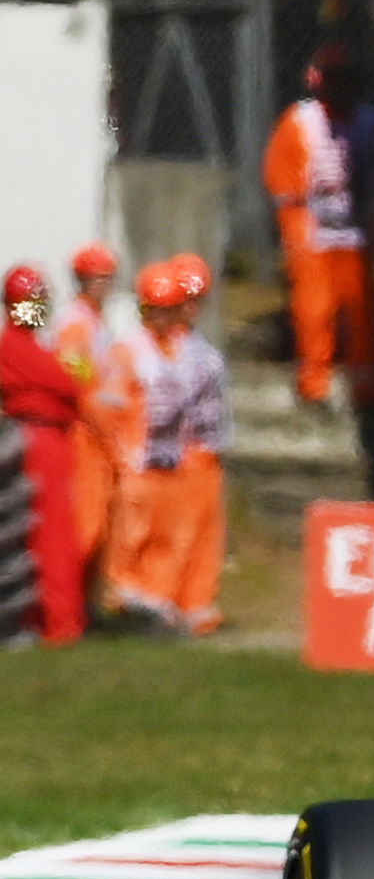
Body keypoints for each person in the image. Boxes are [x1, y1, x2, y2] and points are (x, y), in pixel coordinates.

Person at [262, 44, 374, 408]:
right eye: (332, 79)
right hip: (313, 230)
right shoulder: (300, 120)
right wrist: (296, 227)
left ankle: (367, 388)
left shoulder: (370, 122)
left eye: (345, 80)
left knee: (364, 311)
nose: (338, 88)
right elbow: (281, 180)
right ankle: (314, 385)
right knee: (315, 308)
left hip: (358, 232)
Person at [118, 255, 228, 635]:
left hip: (194, 451)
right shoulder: (141, 347)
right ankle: (145, 602)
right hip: (154, 456)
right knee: (149, 535)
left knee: (194, 536)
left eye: (196, 301)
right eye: (186, 301)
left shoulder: (195, 348)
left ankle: (191, 604)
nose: (190, 309)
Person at [0, 267, 87, 642]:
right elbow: (68, 384)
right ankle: (58, 623)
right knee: (50, 536)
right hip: (38, 440)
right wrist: (76, 376)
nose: (38, 309)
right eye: (30, 303)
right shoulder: (14, 345)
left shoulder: (36, 345)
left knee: (53, 534)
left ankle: (54, 619)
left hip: (50, 439)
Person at [48, 242, 132, 593]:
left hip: (101, 437)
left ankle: (84, 602)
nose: (104, 285)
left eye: (108, 277)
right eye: (97, 278)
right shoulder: (75, 326)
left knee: (100, 526)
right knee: (85, 524)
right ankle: (67, 601)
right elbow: (78, 388)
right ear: (81, 280)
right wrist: (107, 432)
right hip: (84, 437)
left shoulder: (97, 321)